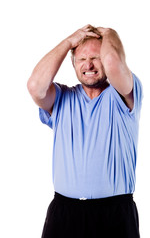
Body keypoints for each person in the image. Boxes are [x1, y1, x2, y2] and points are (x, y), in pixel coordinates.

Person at [27, 24, 143, 238]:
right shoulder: (62, 97)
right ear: (73, 64)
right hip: (65, 213)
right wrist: (69, 41)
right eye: (81, 59)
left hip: (115, 213)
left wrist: (109, 33)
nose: (88, 64)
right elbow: (35, 85)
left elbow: (113, 63)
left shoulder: (123, 93)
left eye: (96, 57)